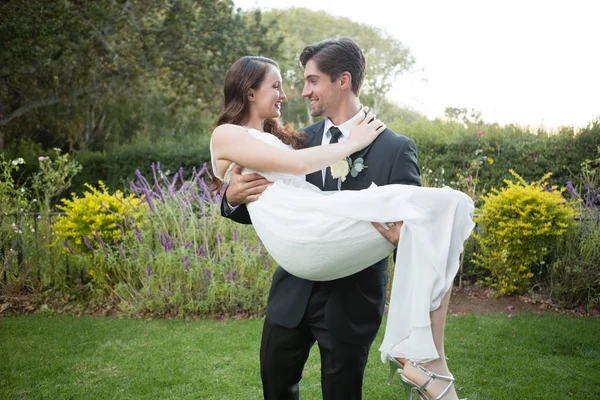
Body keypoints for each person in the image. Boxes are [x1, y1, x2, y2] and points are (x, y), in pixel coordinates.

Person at [214, 39, 473, 400]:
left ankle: (427, 358)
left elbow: (403, 225)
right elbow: (272, 201)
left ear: (343, 81)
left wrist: (404, 242)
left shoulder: (394, 147)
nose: (303, 92)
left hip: (350, 300)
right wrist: (229, 198)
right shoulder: (298, 141)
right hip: (294, 291)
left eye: (312, 81)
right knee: (276, 387)